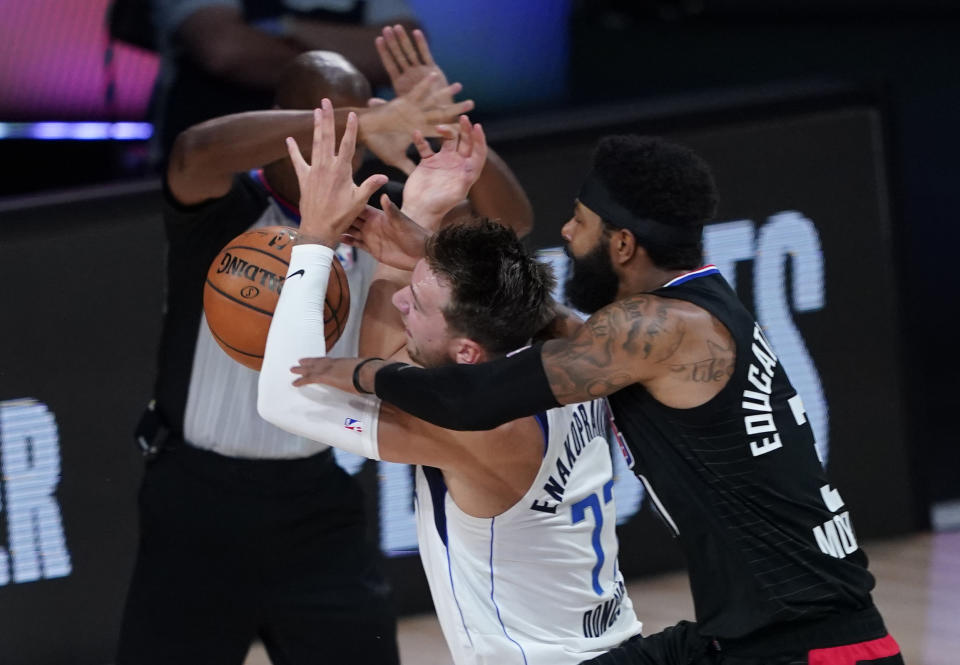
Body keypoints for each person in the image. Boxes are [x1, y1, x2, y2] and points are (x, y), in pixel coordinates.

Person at [295, 135, 905, 665]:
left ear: (621, 244)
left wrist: (358, 370)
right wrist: (429, 256)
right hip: (757, 638)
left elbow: (472, 400)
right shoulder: (697, 310)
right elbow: (573, 334)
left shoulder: (663, 327)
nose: (565, 232)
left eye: (580, 221)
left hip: (809, 648)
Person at [113, 46, 476, 665]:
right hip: (197, 503)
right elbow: (191, 151)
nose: (337, 143)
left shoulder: (375, 224)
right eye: (321, 123)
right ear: (278, 121)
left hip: (316, 504)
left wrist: (450, 146)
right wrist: (354, 117)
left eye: (352, 132)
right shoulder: (224, 210)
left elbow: (510, 223)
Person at [256, 100, 643, 665]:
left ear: (468, 351)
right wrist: (417, 213)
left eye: (421, 301)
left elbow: (282, 397)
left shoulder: (475, 426)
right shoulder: (563, 353)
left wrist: (314, 240)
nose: (403, 301)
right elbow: (394, 359)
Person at [148, 0, 419, 165]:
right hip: (222, 181)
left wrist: (283, 27)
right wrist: (356, 57)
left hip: (340, 174)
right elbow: (225, 50)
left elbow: (406, 56)